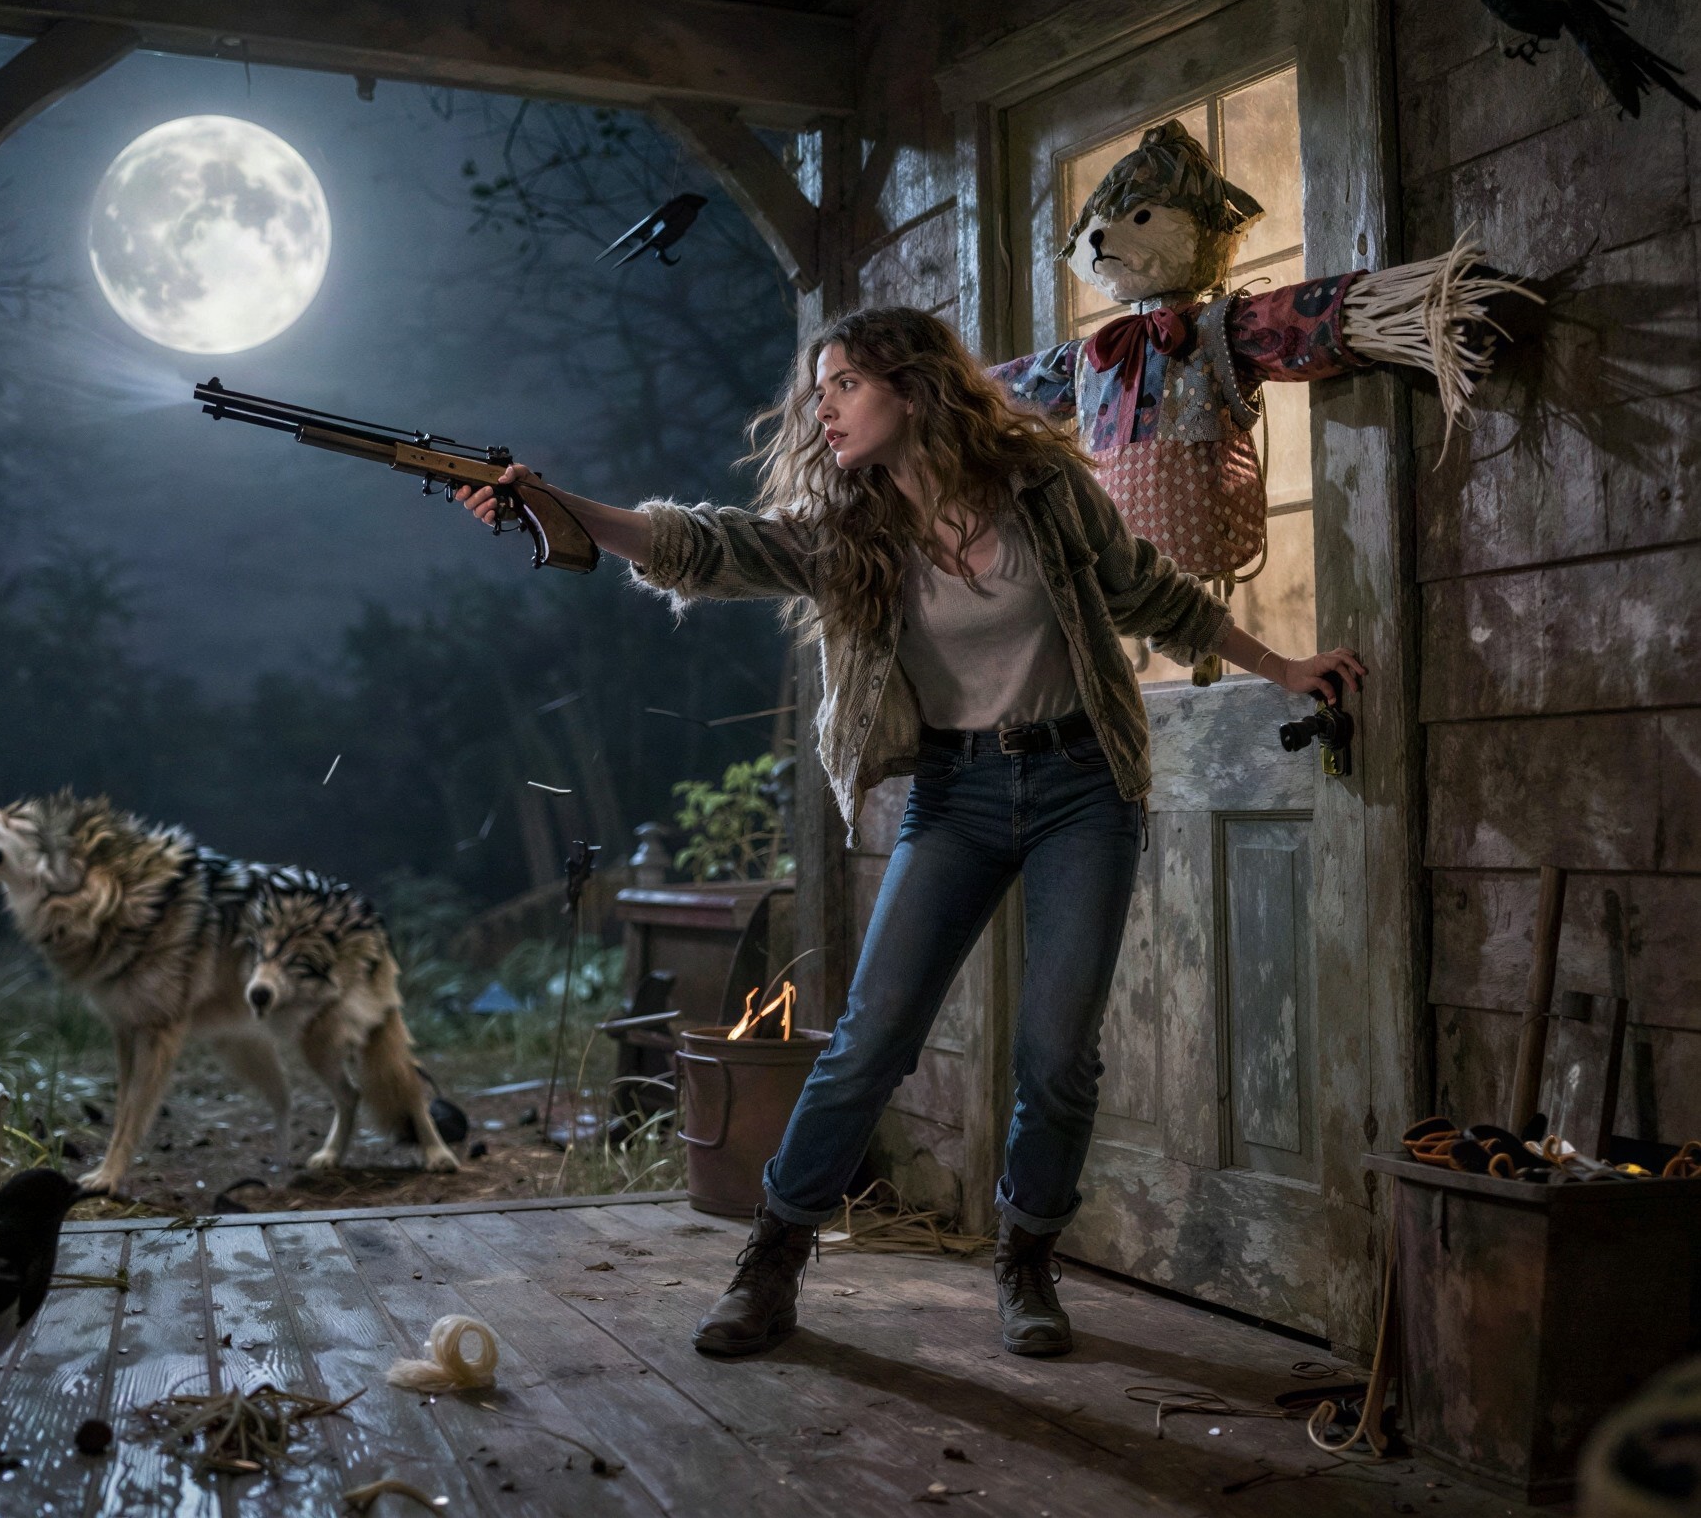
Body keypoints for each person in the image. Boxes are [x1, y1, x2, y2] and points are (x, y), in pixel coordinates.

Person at [458, 306, 1365, 1360]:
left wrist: (1286, 669)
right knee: (866, 1042)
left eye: (844, 382)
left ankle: (1025, 1258)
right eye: (819, 388)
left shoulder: (1039, 485)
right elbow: (704, 546)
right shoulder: (848, 530)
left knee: (1055, 1053)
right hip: (955, 794)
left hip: (1081, 783)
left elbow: (1145, 591)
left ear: (913, 384)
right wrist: (554, 503)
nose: (823, 406)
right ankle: (771, 1259)